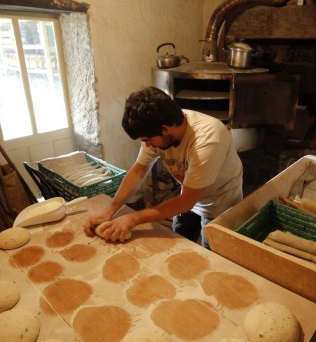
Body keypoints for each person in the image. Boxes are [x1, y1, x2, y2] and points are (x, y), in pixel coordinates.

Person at [85, 86, 243, 248]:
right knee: (178, 243)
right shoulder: (158, 127)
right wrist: (109, 211)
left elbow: (186, 201)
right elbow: (139, 172)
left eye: (147, 139)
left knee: (211, 253)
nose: (146, 144)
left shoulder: (208, 140)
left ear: (165, 130)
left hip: (219, 203)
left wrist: (132, 218)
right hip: (188, 196)